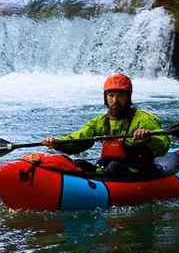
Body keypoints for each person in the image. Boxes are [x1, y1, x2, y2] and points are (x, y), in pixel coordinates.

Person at [41, 72, 171, 178]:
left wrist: (149, 138)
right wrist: (57, 143)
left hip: (137, 171)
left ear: (128, 97)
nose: (115, 100)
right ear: (106, 98)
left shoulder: (143, 119)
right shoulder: (100, 122)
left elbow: (164, 145)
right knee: (78, 163)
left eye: (120, 96)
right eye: (111, 95)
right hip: (108, 170)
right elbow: (78, 139)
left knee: (114, 166)